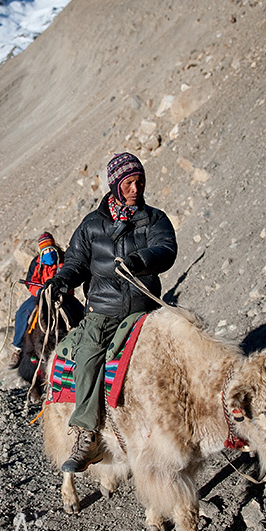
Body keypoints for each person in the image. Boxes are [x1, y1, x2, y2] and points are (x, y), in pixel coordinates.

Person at [42, 152, 177, 472]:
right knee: (88, 355)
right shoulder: (91, 225)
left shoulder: (154, 219)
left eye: (139, 181)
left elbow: (166, 250)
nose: (135, 188)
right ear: (115, 186)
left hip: (145, 307)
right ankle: (86, 435)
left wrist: (141, 260)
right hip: (102, 311)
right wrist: (62, 281)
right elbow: (76, 262)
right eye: (128, 183)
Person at [7, 232, 76, 369]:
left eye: (51, 248)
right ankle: (18, 348)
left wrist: (61, 287)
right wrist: (39, 291)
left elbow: (70, 275)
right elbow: (31, 281)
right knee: (22, 313)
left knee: (78, 311)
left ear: (55, 247)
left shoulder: (63, 259)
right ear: (41, 251)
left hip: (62, 294)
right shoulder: (36, 263)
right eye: (45, 250)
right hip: (40, 294)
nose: (49, 252)